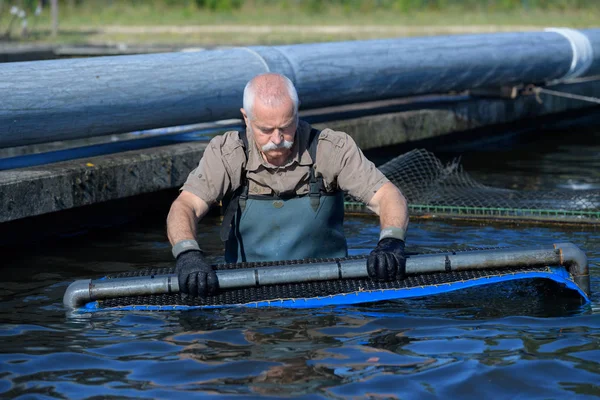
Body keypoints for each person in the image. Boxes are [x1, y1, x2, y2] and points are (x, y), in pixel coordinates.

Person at [166, 73, 409, 297]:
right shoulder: (227, 153)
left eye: (286, 127)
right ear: (246, 118)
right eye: (265, 130)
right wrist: (188, 254)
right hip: (244, 289)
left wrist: (391, 241)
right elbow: (186, 206)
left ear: (297, 112)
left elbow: (388, 196)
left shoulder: (332, 148)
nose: (278, 140)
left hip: (329, 289)